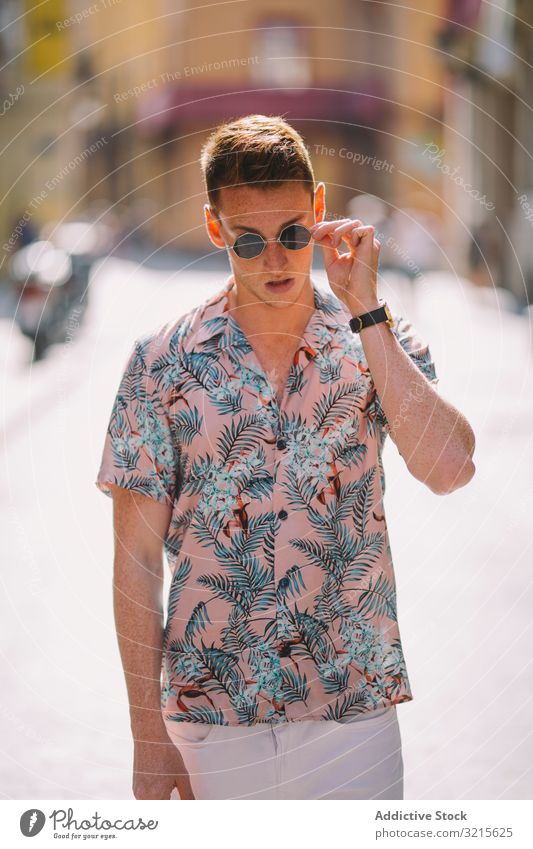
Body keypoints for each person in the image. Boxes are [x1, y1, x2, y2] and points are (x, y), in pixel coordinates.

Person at [95, 114, 476, 800]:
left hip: (350, 715)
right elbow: (135, 559)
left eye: (293, 234)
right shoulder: (160, 364)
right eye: (249, 239)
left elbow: (450, 468)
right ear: (215, 229)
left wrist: (366, 312)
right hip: (212, 720)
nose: (275, 259)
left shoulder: (372, 340)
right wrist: (146, 736)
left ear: (320, 212)